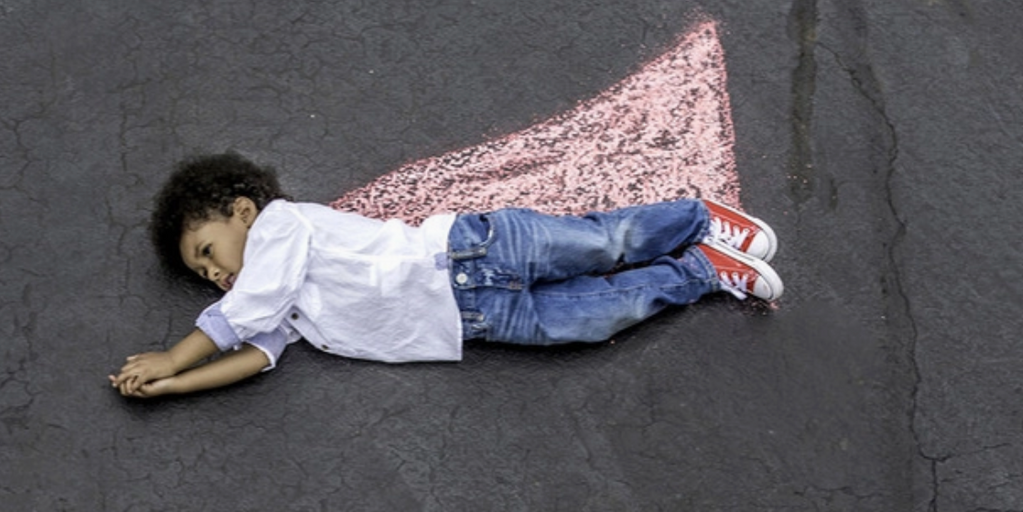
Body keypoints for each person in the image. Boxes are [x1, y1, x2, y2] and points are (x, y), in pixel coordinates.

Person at [110, 152, 782, 399]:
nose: (213, 274)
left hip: (470, 253)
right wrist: (177, 382)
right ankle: (700, 271)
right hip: (472, 322)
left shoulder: (282, 229)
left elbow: (247, 306)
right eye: (201, 274)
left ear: (241, 211)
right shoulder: (272, 306)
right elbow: (256, 354)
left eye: (207, 252)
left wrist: (176, 349)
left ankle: (697, 219)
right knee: (597, 314)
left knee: (600, 243)